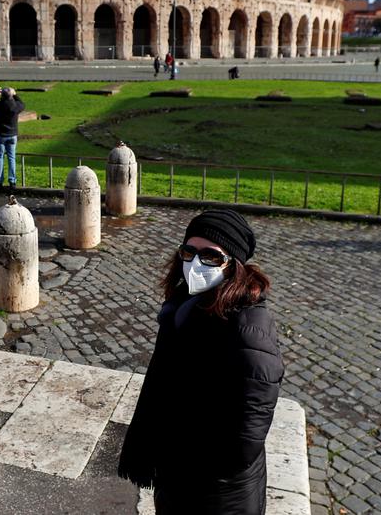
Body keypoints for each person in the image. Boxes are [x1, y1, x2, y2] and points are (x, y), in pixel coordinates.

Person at [119, 209, 283, 515]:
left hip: (216, 493)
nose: (195, 262)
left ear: (233, 266)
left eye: (211, 256)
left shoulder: (249, 329)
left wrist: (186, 457)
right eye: (189, 252)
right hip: (179, 476)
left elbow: (245, 438)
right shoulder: (186, 305)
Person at [0, 86, 25, 188]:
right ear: (11, 95)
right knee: (12, 158)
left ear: (2, 96)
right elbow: (23, 104)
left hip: (1, 135)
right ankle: (12, 181)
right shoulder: (16, 106)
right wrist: (15, 95)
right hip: (12, 135)